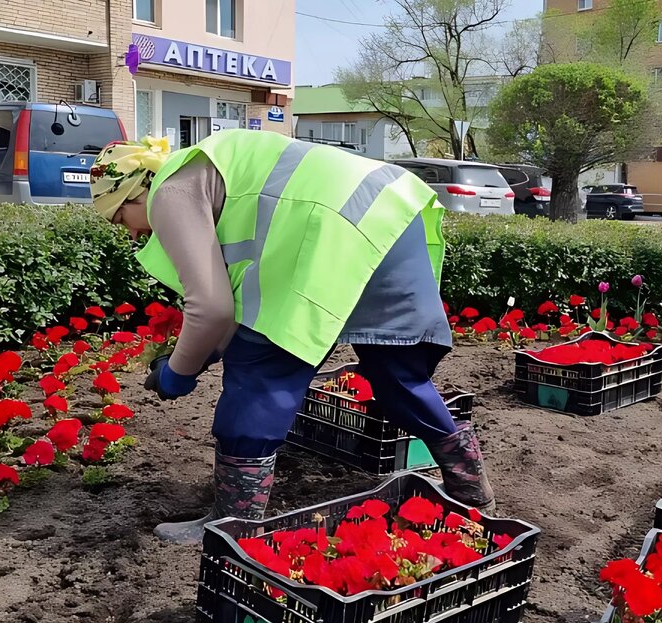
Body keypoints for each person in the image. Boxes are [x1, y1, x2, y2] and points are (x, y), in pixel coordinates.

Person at [89, 131, 495, 543]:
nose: (131, 234)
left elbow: (211, 308)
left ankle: (234, 522)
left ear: (135, 194)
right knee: (398, 375)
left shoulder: (170, 190)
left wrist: (178, 372)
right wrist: (207, 350)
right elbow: (230, 305)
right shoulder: (210, 165)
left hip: (327, 232)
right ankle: (470, 488)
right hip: (389, 217)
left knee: (260, 369)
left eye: (120, 218)